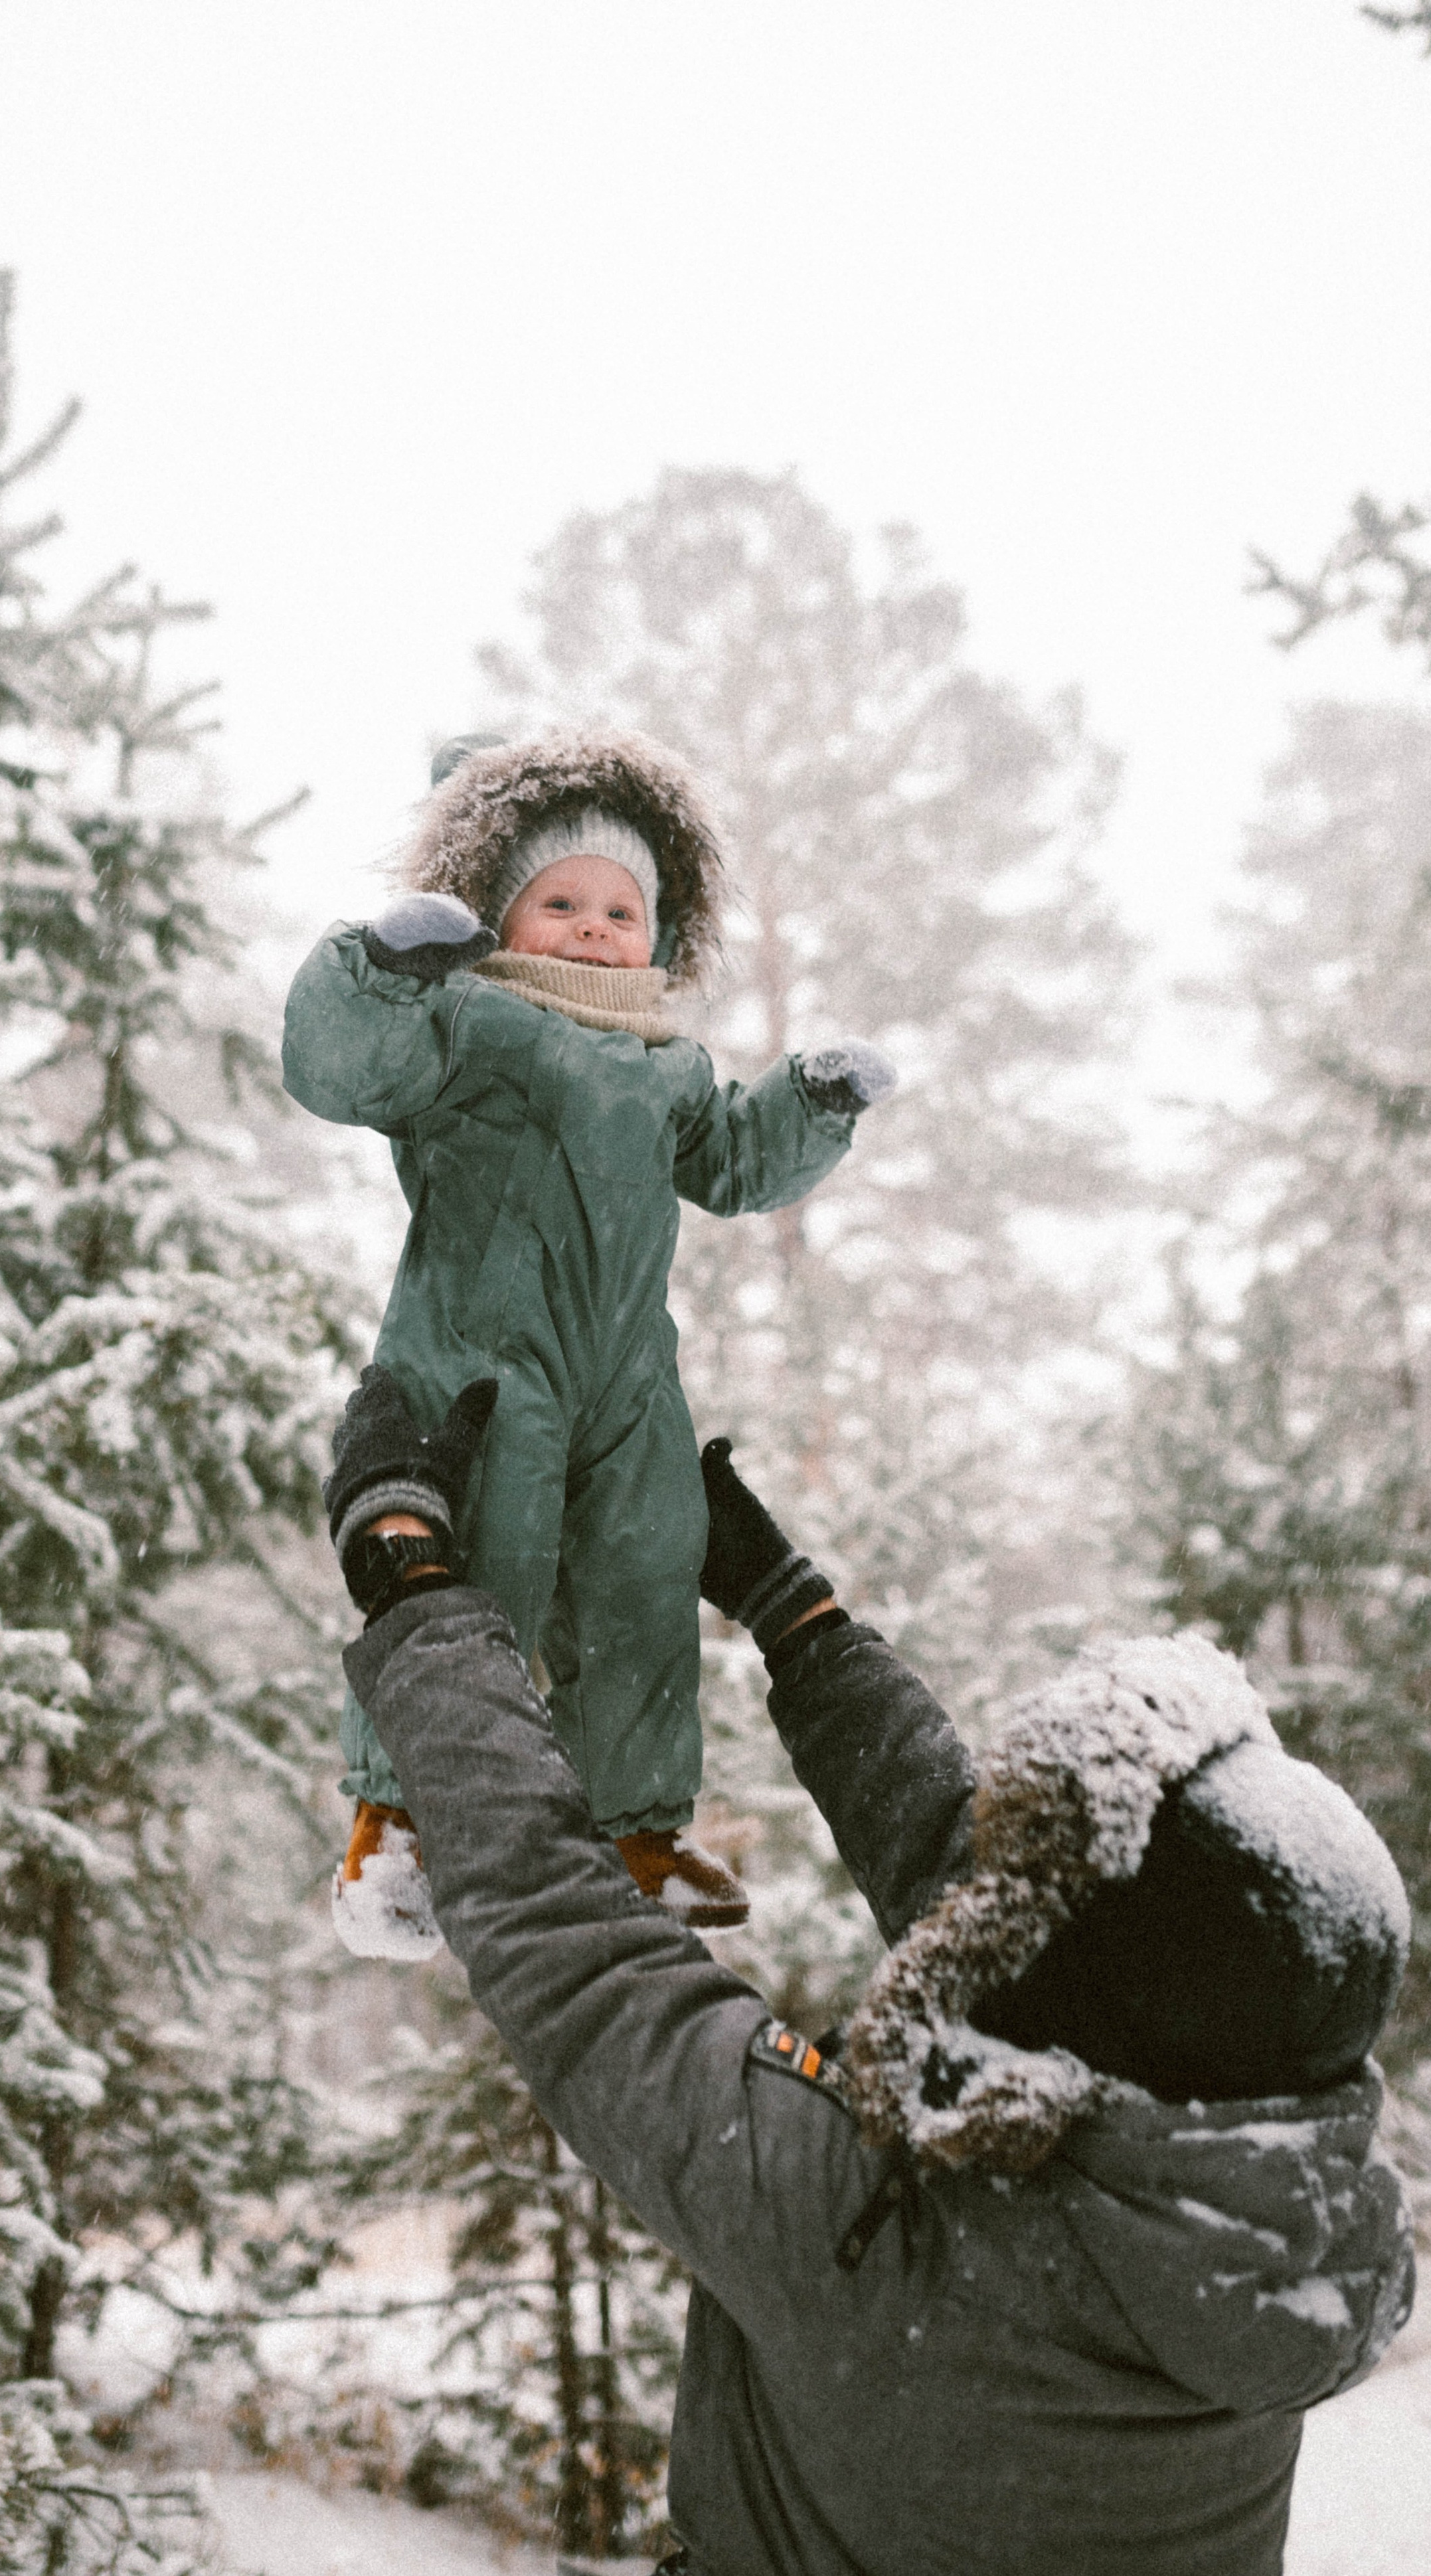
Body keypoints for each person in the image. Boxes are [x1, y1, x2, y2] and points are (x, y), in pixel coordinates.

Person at [321, 1370, 1415, 2576]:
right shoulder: (1278, 2222)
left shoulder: (876, 2244)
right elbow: (1006, 1910)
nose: (992, 1898)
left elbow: (569, 1940)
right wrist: (790, 1608)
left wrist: (405, 1564)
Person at [282, 727, 894, 1954]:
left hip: (626, 1380)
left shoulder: (667, 1068)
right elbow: (339, 1068)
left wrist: (808, 1103)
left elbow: (730, 1162)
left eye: (622, 909)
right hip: (480, 1368)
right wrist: (381, 969)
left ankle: (635, 1832)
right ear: (499, 917)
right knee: (475, 1581)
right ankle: (396, 1825)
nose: (593, 926)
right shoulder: (465, 1026)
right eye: (558, 900)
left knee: (642, 1583)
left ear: (660, 937)